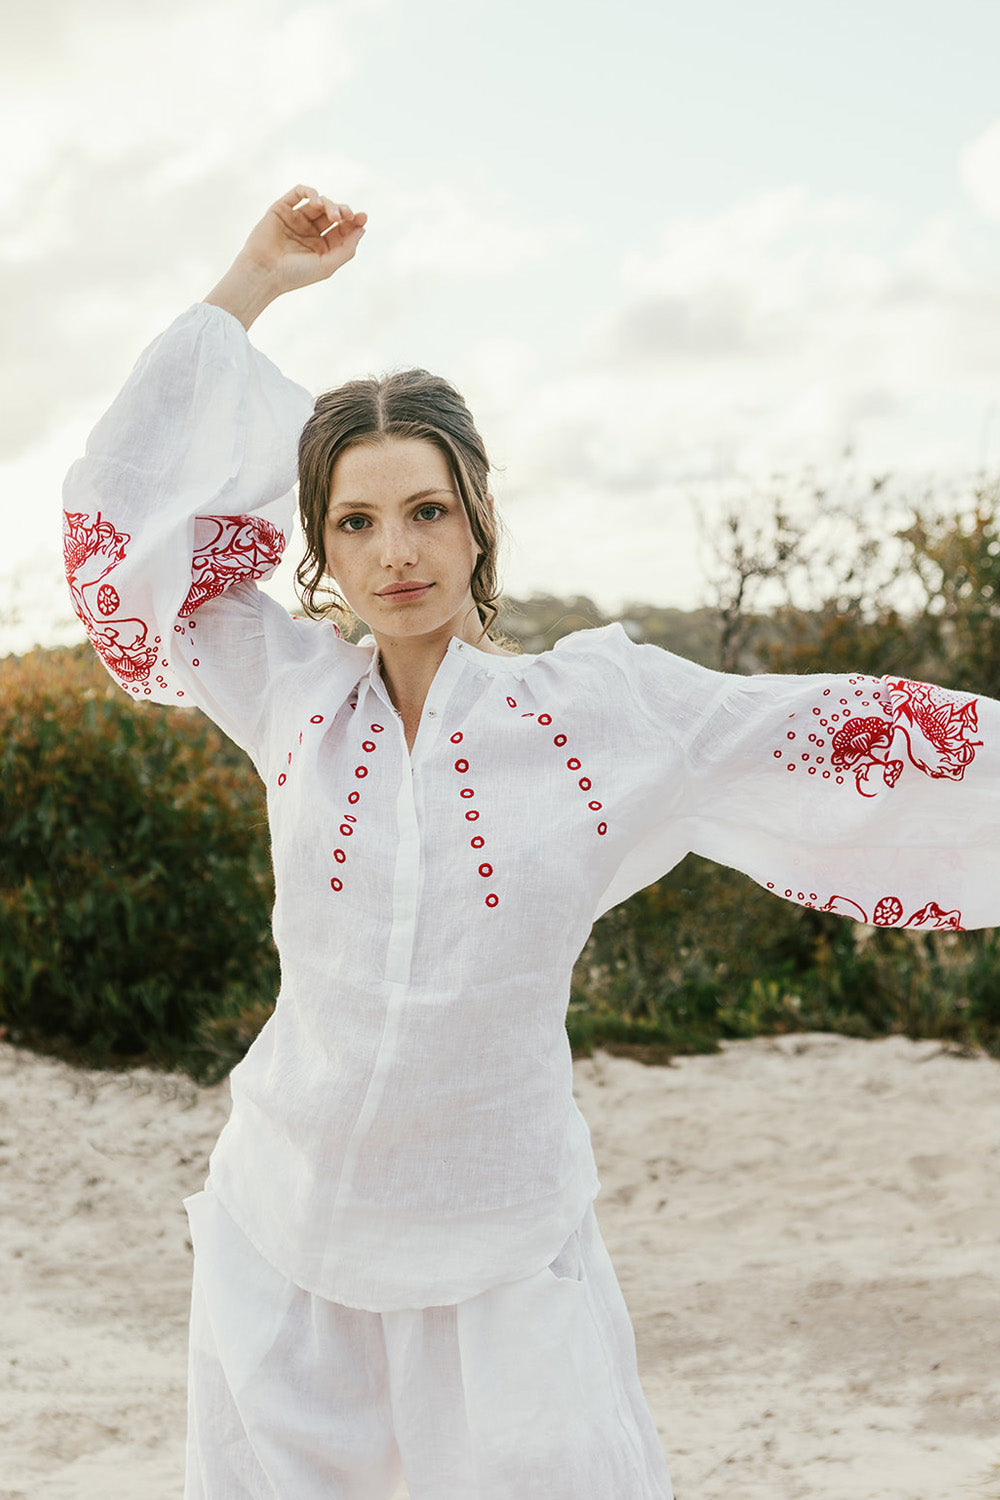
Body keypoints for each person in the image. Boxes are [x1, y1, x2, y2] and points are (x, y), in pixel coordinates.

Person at [63, 185, 1000, 1500]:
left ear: (479, 516)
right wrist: (251, 282)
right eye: (357, 521)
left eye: (427, 511)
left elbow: (841, 736)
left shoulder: (597, 717)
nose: (397, 552)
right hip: (286, 1244)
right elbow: (139, 535)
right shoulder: (287, 689)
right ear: (323, 552)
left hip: (498, 1259)